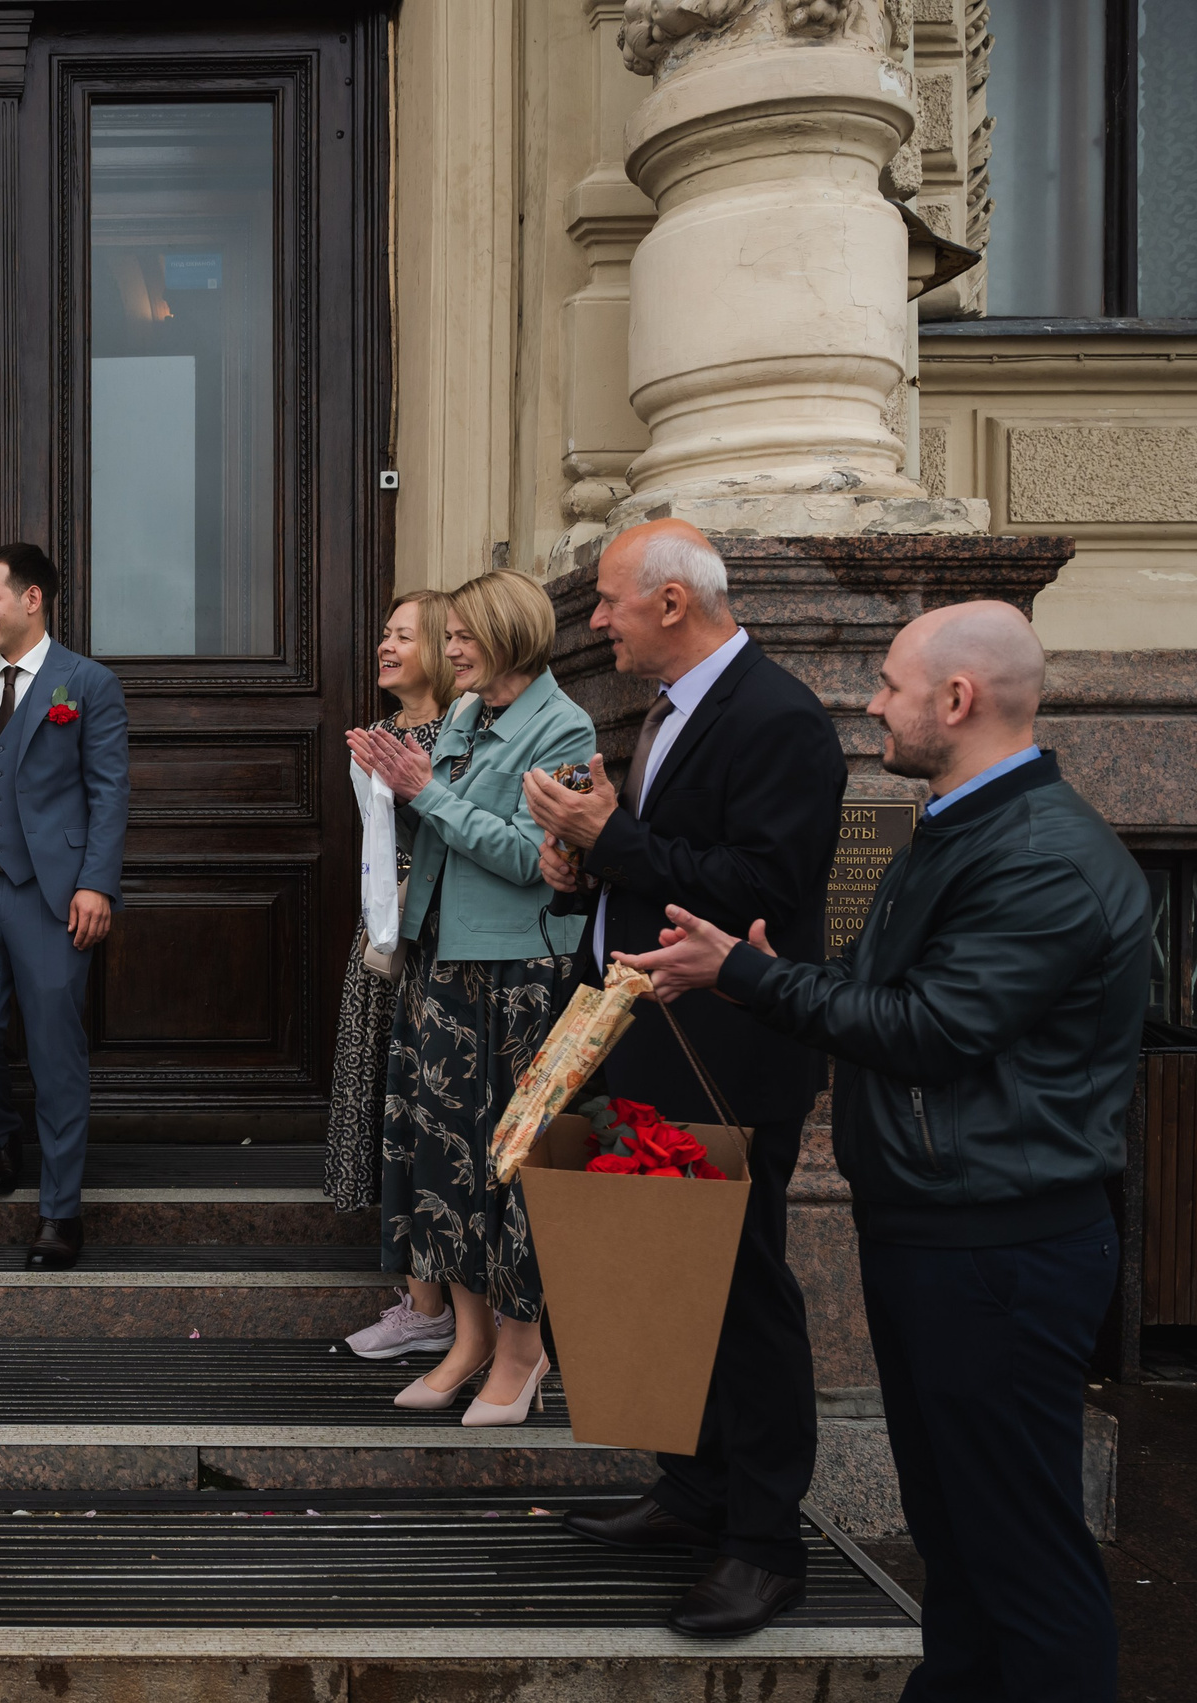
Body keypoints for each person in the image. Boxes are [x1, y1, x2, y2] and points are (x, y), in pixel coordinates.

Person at [622, 598, 1140, 1700]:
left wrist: (748, 975)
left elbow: (933, 1030)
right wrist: (770, 972)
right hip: (940, 1231)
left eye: (891, 682)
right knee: (958, 1543)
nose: (869, 700)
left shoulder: (1041, 853)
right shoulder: (959, 822)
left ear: (956, 698)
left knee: (1022, 1557)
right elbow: (871, 985)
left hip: (998, 1247)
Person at [522, 519, 846, 1638]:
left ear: (671, 602)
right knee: (660, 1280)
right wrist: (581, 868)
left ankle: (764, 1544)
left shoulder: (779, 718)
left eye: (609, 601)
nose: (595, 619)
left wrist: (610, 838)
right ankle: (693, 1489)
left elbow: (756, 884)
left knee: (742, 1296)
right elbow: (653, 869)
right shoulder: (663, 711)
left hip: (729, 1056)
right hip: (644, 1041)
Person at [344, 569, 592, 1425]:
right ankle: (468, 1341)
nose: (450, 651)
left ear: (510, 633)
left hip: (516, 971)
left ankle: (522, 1355)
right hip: (440, 961)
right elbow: (437, 825)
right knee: (443, 1160)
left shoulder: (563, 723)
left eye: (462, 637)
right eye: (445, 639)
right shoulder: (462, 714)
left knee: (507, 1170)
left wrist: (427, 791)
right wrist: (388, 787)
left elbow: (530, 856)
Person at [0, 542, 131, 1270]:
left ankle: (59, 1209)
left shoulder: (87, 683)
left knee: (55, 1053)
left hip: (53, 895)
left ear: (31, 599)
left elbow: (109, 789)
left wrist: (96, 883)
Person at [336, 590, 466, 1360]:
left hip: (441, 928)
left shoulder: (463, 729)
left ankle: (433, 1300)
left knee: (429, 1106)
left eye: (402, 635)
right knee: (393, 1106)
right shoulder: (377, 732)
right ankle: (420, 1292)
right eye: (383, 632)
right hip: (387, 928)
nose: (385, 645)